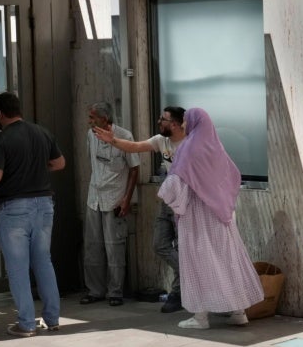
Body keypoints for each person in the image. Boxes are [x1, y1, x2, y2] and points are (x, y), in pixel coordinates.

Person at [156, 108, 263, 329]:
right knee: (227, 262)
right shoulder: (215, 147)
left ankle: (200, 317)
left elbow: (176, 183)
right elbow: (233, 175)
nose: (184, 125)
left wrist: (164, 194)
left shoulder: (188, 148)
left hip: (197, 218)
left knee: (197, 264)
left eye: (186, 121)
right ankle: (239, 312)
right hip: (221, 216)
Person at [0, 92, 64, 337]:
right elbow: (59, 163)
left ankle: (27, 323)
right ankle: (52, 318)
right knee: (43, 261)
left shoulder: (1, 139)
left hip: (14, 207)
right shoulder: (41, 132)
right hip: (44, 205)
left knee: (18, 267)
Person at [93, 106, 186, 312]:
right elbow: (135, 147)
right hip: (167, 201)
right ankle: (190, 275)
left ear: (176, 124)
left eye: (163, 119)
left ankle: (179, 293)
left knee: (183, 249)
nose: (159, 121)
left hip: (187, 204)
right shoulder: (162, 141)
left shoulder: (191, 143)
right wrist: (113, 141)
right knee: (160, 245)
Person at [80, 102, 139, 306]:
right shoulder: (90, 135)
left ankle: (115, 292)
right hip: (94, 197)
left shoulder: (125, 136)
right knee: (92, 246)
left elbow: (134, 169)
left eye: (92, 117)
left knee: (114, 247)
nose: (89, 121)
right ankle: (95, 290)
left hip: (115, 198)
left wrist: (127, 198)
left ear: (104, 119)